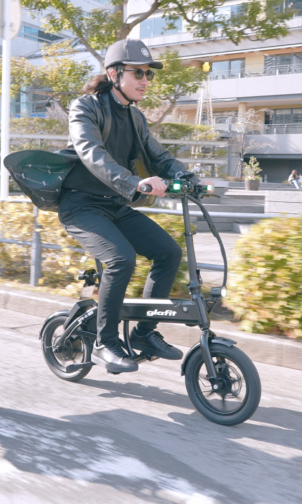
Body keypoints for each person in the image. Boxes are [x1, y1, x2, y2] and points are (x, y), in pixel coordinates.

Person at [59, 38, 198, 373]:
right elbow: (91, 153)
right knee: (121, 259)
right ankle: (106, 343)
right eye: (138, 73)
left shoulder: (136, 117)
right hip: (81, 205)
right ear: (114, 73)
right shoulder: (85, 107)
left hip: (115, 205)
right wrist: (134, 183)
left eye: (148, 74)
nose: (145, 81)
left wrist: (189, 177)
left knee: (168, 252)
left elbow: (159, 157)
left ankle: (144, 334)